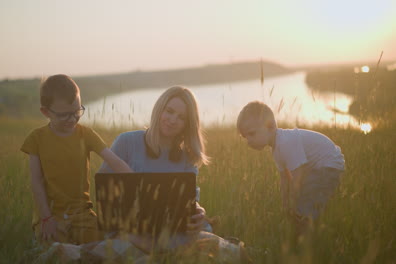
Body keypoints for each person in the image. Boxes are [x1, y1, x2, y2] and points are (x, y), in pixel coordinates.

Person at [21, 74, 132, 246]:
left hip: (83, 216)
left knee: (105, 247)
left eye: (77, 111)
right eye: (64, 115)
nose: (72, 119)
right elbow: (36, 182)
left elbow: (115, 161)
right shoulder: (36, 139)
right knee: (57, 251)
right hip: (51, 216)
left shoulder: (86, 134)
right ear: (46, 112)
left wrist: (138, 182)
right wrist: (46, 218)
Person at [98, 86, 212, 249]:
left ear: (188, 124)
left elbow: (189, 200)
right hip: (128, 233)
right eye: (169, 111)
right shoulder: (126, 142)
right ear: (159, 109)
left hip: (172, 233)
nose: (173, 120)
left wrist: (199, 212)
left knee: (211, 244)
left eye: (181, 117)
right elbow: (104, 196)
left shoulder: (188, 156)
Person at [236, 101, 345, 237]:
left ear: (270, 126)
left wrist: (294, 200)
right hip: (319, 167)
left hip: (328, 165)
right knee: (304, 201)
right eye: (246, 137)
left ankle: (308, 234)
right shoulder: (276, 150)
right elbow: (284, 178)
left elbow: (298, 175)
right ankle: (308, 228)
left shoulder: (286, 142)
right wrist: (285, 204)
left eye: (252, 134)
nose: (249, 141)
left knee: (306, 202)